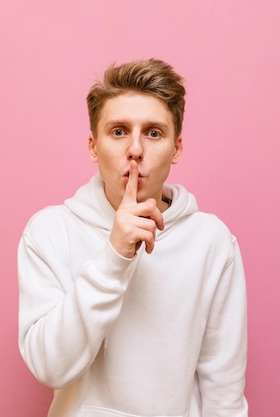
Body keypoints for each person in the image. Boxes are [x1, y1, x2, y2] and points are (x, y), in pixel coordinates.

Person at [18, 59, 248, 417]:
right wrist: (114, 255)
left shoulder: (212, 241)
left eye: (153, 133)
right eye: (119, 131)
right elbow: (49, 367)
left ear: (177, 148)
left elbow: (224, 389)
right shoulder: (49, 232)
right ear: (94, 146)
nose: (136, 149)